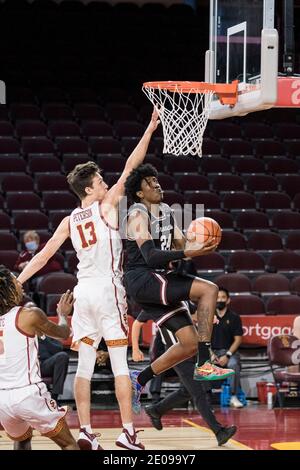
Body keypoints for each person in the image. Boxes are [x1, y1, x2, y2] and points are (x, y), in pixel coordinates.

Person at [17, 110, 160, 451]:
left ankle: (85, 432)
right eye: (99, 181)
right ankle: (128, 433)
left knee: (82, 364)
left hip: (83, 292)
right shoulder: (106, 206)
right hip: (108, 290)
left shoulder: (69, 219)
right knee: (120, 365)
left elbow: (42, 256)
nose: (106, 182)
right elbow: (131, 165)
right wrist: (150, 128)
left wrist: (16, 281)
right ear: (90, 188)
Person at [124, 163, 234, 412]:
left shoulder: (165, 212)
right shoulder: (136, 214)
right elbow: (151, 256)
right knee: (209, 290)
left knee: (189, 342)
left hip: (156, 281)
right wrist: (186, 250)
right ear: (140, 193)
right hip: (142, 277)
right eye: (149, 181)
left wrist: (203, 241)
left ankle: (139, 379)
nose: (156, 183)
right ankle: (205, 363)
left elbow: (183, 248)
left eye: (156, 178)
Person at [0, 265, 78, 450]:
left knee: (22, 440)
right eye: (15, 280)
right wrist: (63, 315)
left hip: (2, 399)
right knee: (68, 444)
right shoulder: (29, 315)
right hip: (27, 393)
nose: (20, 283)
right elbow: (63, 334)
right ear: (8, 288)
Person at [132, 310, 237, 447]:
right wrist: (135, 348)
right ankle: (219, 432)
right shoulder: (153, 302)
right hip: (176, 353)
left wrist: (206, 318)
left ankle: (156, 410)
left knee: (187, 391)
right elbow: (136, 324)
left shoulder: (180, 299)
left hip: (192, 349)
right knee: (198, 392)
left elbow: (192, 320)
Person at [211, 287, 244, 408]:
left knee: (233, 365)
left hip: (229, 352)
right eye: (217, 297)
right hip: (212, 352)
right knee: (198, 364)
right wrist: (210, 354)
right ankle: (203, 398)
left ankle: (233, 396)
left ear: (228, 300)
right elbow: (203, 338)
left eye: (223, 297)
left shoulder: (234, 317)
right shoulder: (208, 316)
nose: (220, 300)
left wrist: (228, 355)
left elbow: (238, 339)